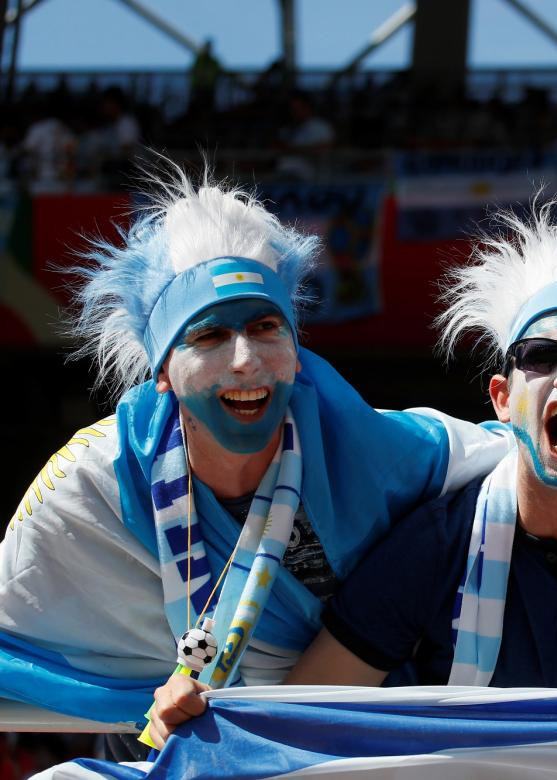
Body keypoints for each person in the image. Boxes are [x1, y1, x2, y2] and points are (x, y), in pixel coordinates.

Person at [148, 202, 557, 746]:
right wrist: (208, 722)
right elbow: (299, 719)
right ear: (501, 400)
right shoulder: (432, 537)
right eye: (539, 355)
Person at [0, 164, 514, 744]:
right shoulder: (93, 480)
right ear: (162, 373)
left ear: (295, 353)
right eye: (209, 336)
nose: (245, 359)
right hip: (157, 740)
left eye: (266, 326)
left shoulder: (370, 448)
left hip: (340, 743)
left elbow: (526, 453)